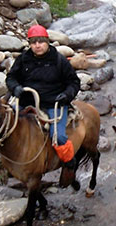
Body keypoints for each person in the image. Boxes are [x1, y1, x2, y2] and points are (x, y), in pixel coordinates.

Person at [6, 24, 80, 176]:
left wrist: (66, 95)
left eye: (40, 41)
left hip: (54, 102)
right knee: (4, 124)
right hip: (27, 101)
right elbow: (11, 77)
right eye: (33, 42)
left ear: (47, 42)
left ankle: (68, 162)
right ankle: (8, 158)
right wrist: (15, 88)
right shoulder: (23, 59)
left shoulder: (59, 60)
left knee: (58, 136)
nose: (37, 45)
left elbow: (74, 82)